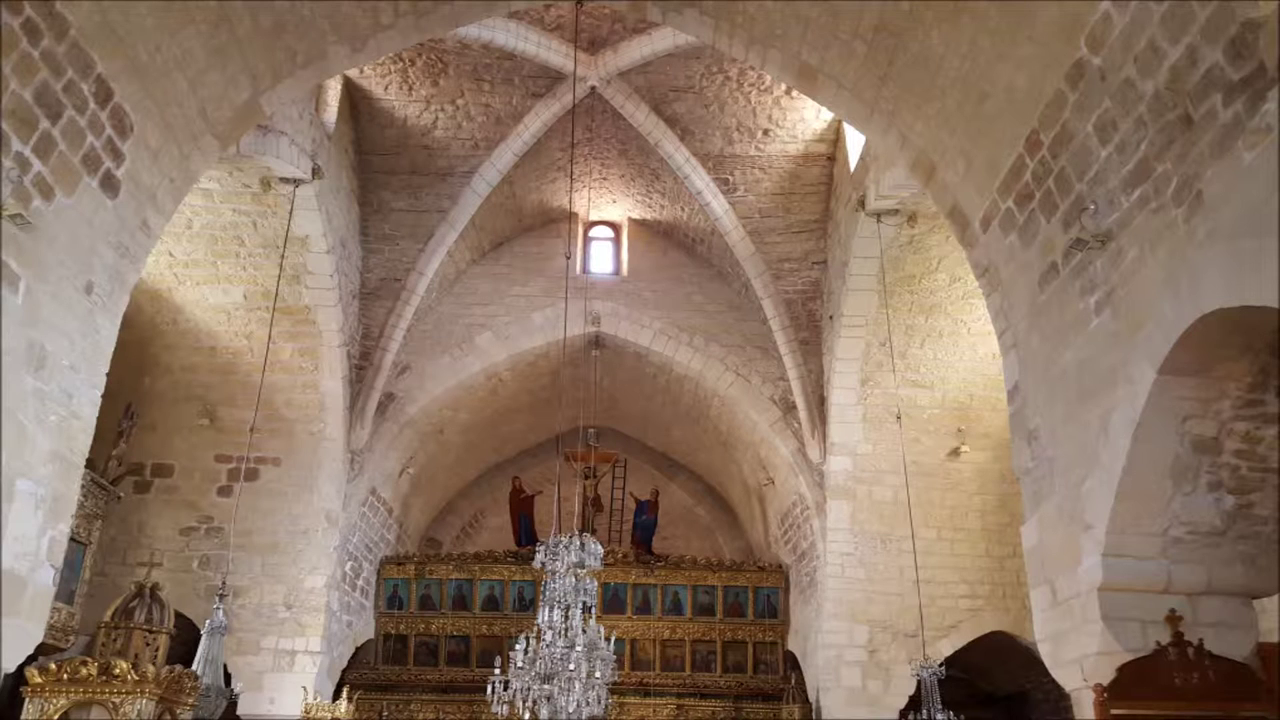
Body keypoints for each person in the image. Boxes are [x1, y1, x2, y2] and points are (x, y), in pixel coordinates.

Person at [509, 476, 542, 548]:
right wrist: (526, 495)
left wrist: (533, 494)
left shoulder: (522, 490)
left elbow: (527, 497)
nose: (518, 483)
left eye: (519, 481)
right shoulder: (513, 493)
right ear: (514, 483)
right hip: (519, 514)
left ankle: (531, 542)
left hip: (526, 512)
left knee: (528, 527)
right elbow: (517, 499)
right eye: (516, 481)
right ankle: (523, 543)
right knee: (522, 528)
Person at [629, 487, 660, 555]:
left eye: (654, 493)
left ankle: (644, 552)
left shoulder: (655, 504)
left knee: (646, 538)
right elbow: (640, 504)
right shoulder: (647, 502)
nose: (652, 494)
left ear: (656, 495)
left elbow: (653, 515)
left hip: (648, 526)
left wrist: (646, 518)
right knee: (637, 536)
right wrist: (634, 497)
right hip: (641, 525)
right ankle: (637, 552)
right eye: (651, 492)